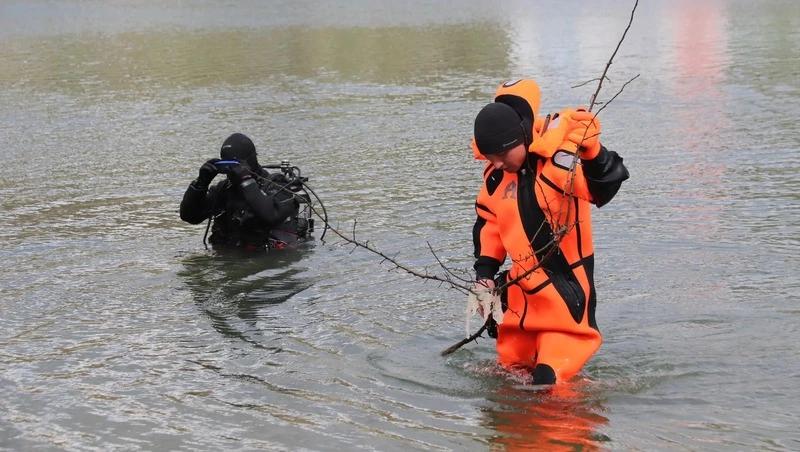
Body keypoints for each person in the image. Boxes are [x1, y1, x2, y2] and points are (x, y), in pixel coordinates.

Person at [470, 79, 629, 385]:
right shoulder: (495, 178)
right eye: (491, 159)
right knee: (508, 379)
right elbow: (489, 224)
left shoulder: (560, 161)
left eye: (503, 156)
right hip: (519, 301)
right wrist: (485, 274)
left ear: (522, 137)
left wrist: (593, 151)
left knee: (548, 383)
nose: (499, 164)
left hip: (565, 300)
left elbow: (603, 188)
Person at [180, 133, 311, 250]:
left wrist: (246, 181)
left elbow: (271, 215)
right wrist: (200, 183)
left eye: (234, 164)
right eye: (226, 165)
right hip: (228, 260)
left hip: (266, 263)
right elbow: (190, 216)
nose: (230, 170)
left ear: (250, 160)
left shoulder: (278, 185)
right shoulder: (223, 190)